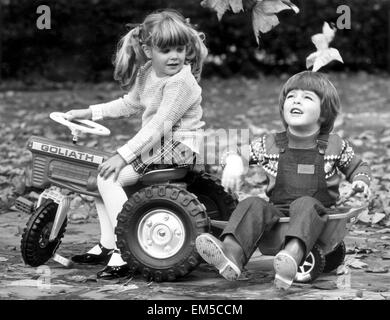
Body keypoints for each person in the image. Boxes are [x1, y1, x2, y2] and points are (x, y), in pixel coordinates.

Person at [65, 9, 208, 279]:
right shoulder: (146, 73)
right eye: (166, 50)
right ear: (148, 49)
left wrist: (122, 156)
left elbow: (158, 126)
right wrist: (90, 112)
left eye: (180, 49)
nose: (175, 56)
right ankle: (108, 244)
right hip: (159, 145)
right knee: (100, 178)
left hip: (178, 148)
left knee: (109, 176)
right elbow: (129, 104)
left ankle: (125, 248)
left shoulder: (181, 82)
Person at [195, 71, 371, 289]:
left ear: (324, 113)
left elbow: (358, 166)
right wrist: (233, 161)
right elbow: (239, 152)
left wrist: (360, 181)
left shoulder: (334, 145)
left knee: (305, 203)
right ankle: (231, 253)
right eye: (291, 96)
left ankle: (293, 254)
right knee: (252, 203)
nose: (297, 100)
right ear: (283, 107)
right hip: (279, 211)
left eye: (307, 97)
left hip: (317, 212)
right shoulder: (271, 144)